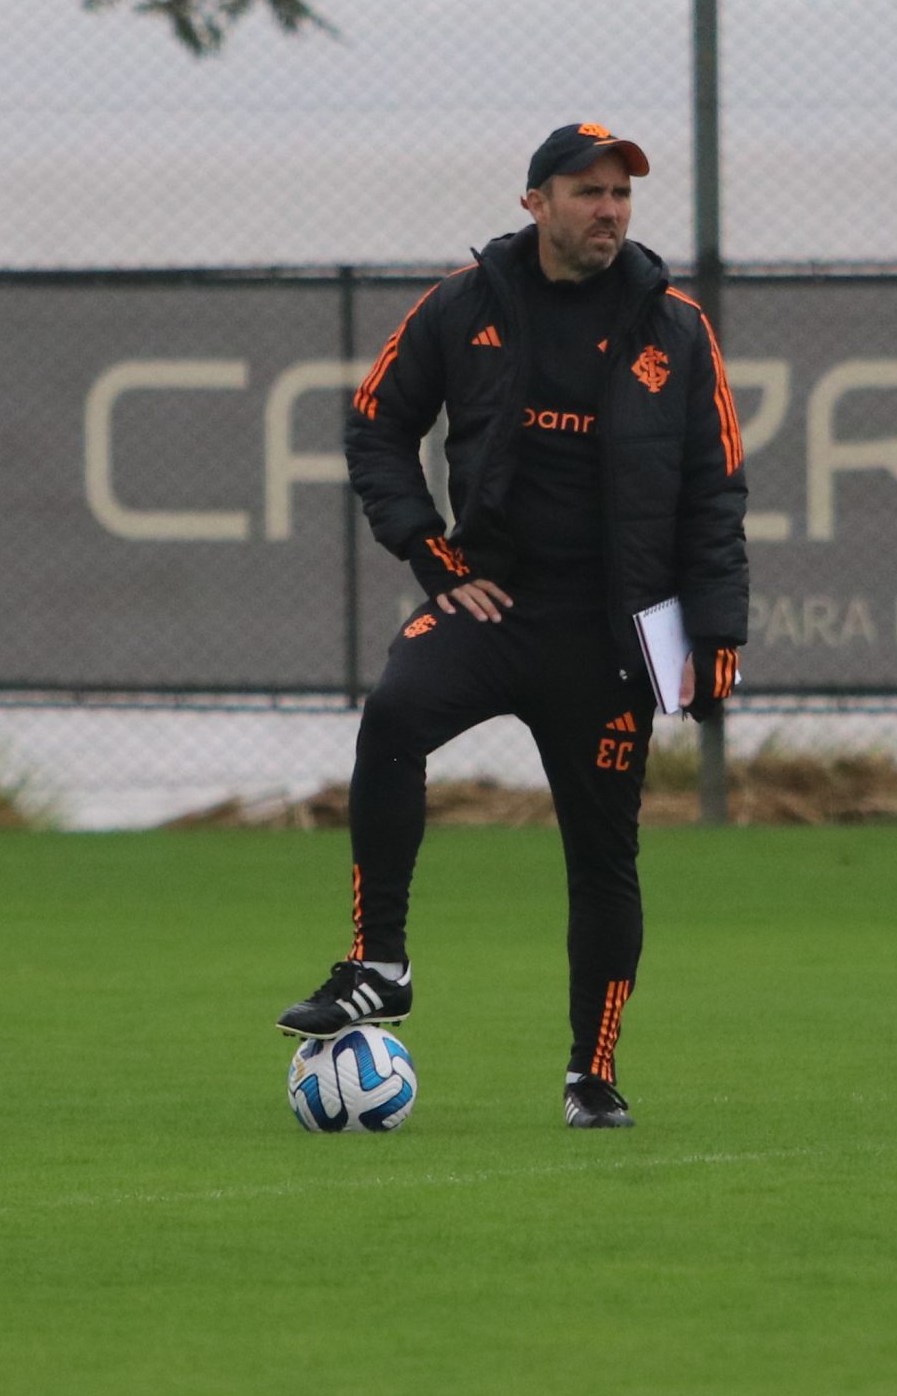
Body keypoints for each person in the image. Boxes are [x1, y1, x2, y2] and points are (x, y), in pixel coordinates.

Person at [274, 122, 750, 1129]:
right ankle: (380, 961)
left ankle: (593, 1073)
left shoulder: (677, 327)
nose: (609, 209)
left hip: (611, 637)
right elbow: (374, 423)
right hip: (494, 604)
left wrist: (714, 636)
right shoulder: (463, 304)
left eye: (621, 193)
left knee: (602, 853)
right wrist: (432, 557)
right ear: (536, 201)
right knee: (393, 713)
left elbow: (715, 494)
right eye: (587, 191)